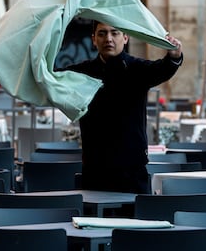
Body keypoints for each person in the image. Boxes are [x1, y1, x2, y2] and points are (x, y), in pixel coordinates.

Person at [62, 21, 183, 194]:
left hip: (132, 169)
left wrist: (174, 56)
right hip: (95, 167)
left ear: (125, 37)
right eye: (102, 33)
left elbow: (164, 68)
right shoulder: (82, 72)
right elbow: (52, 80)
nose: (109, 39)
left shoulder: (137, 68)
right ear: (94, 39)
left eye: (115, 33)